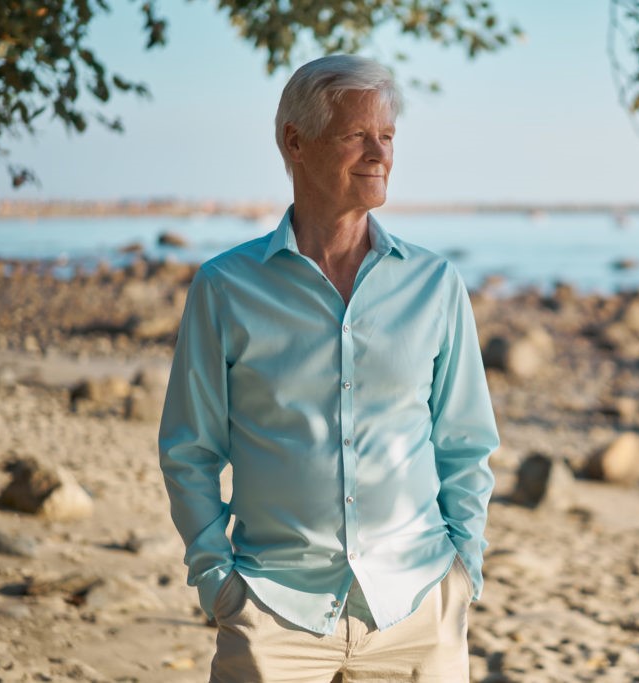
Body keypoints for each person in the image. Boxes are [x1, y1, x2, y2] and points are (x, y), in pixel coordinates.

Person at [158, 54, 499, 682]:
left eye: (387, 136)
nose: (379, 153)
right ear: (296, 140)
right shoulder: (226, 288)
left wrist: (463, 569)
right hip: (272, 612)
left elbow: (465, 441)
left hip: (419, 610)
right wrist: (218, 582)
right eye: (356, 135)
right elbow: (189, 449)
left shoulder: (435, 284)